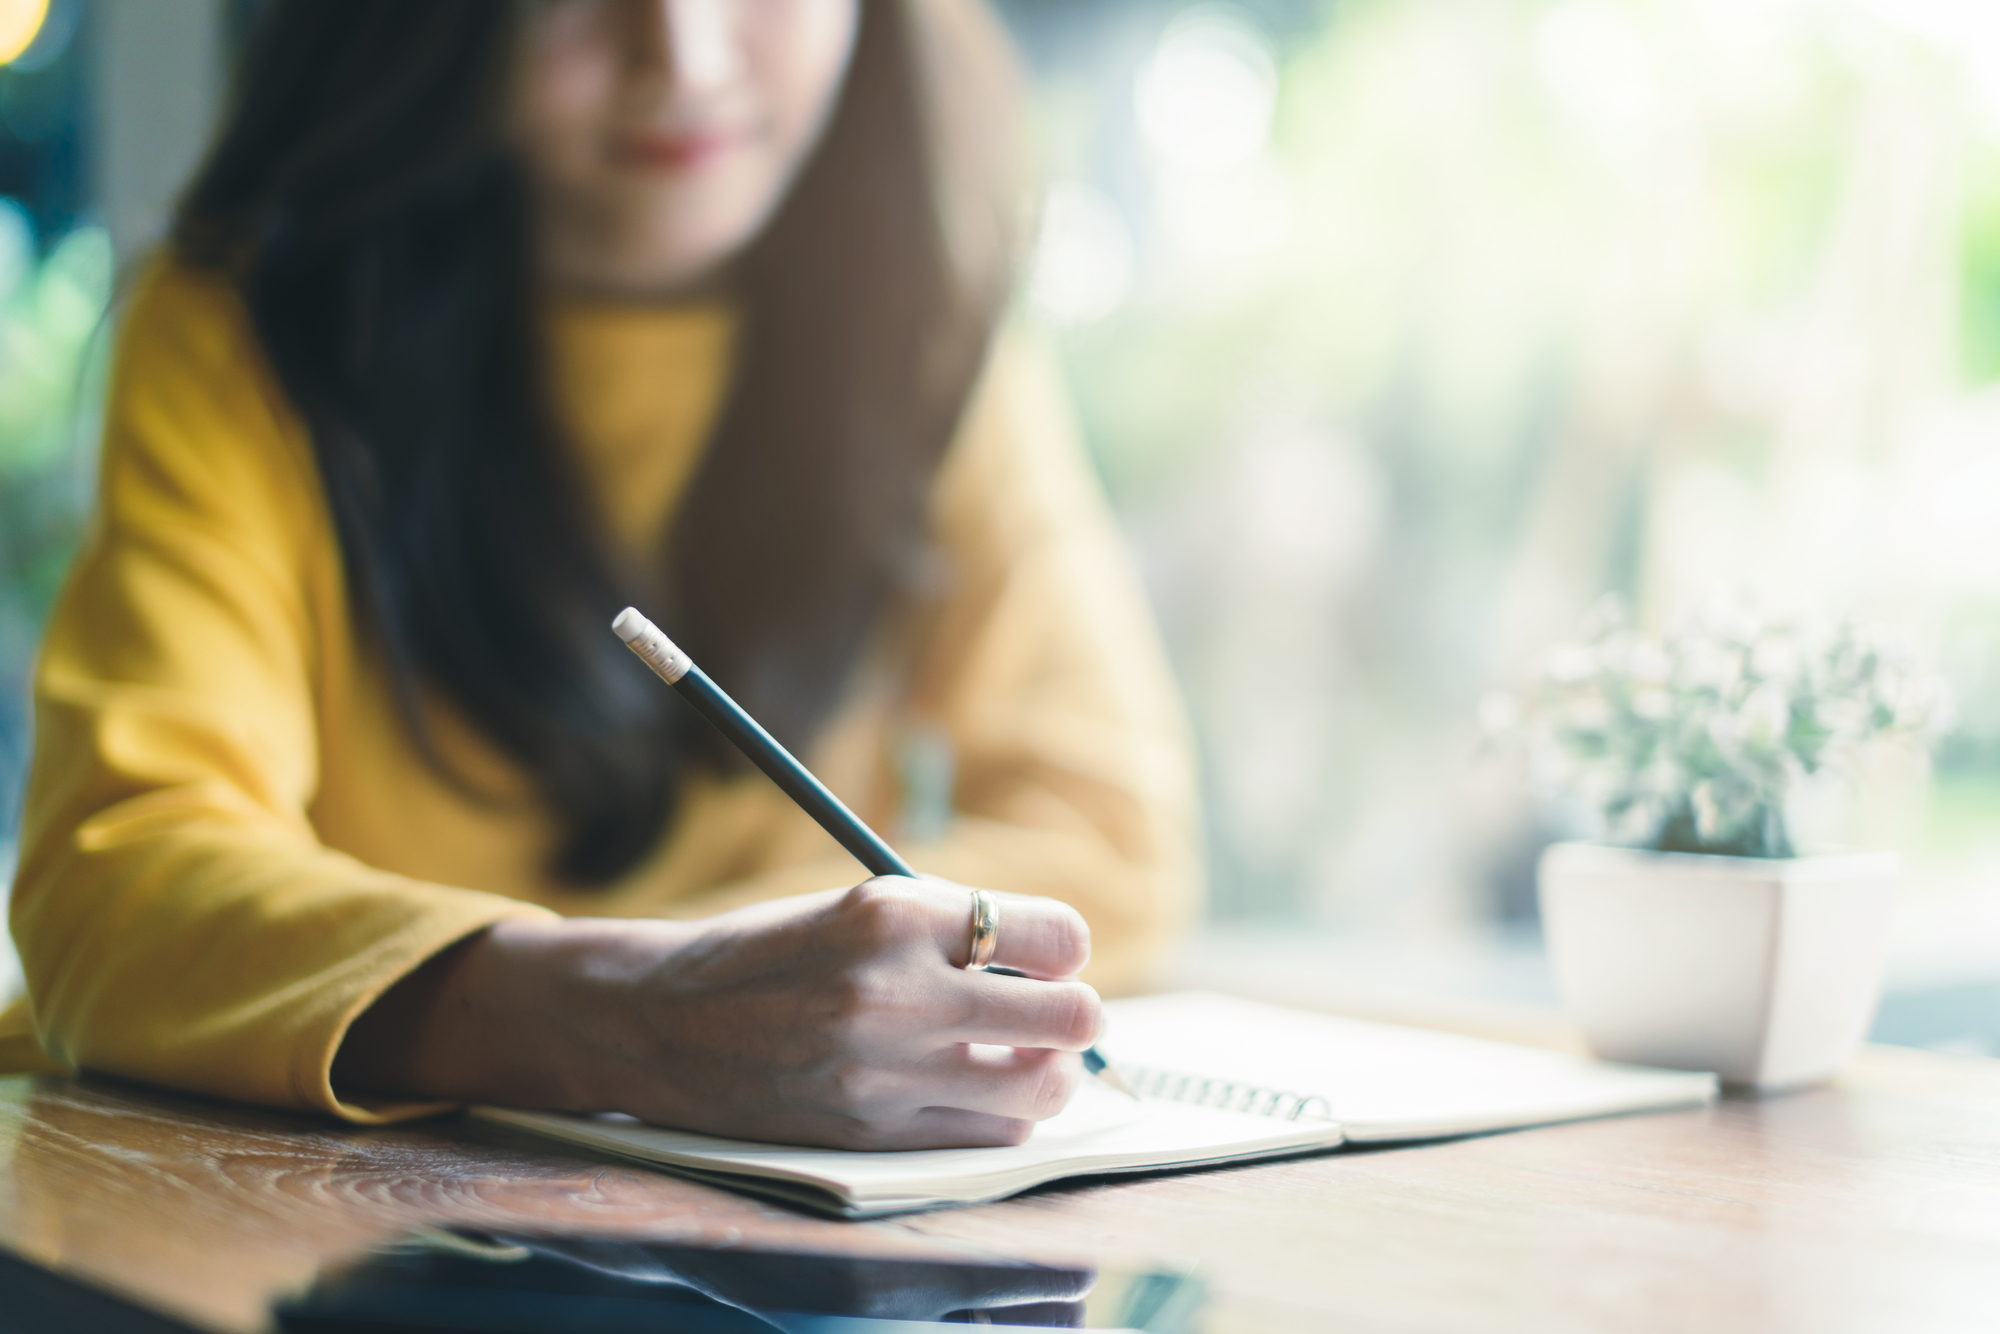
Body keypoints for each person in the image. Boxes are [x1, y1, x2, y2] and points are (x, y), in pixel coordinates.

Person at [0, 0, 1199, 1151]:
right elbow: (119, 877)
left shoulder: (927, 334)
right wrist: (648, 1012)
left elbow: (1110, 840)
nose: (679, 54)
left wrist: (709, 994)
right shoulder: (247, 333)